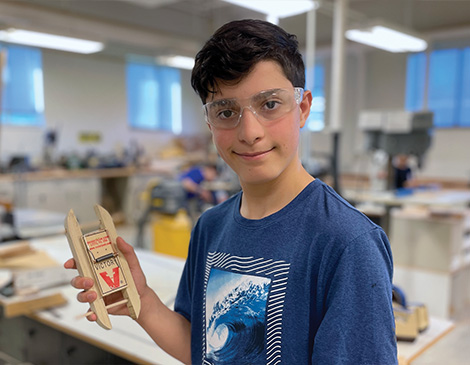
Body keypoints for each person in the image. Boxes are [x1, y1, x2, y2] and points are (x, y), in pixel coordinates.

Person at [65, 19, 397, 364]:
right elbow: (204, 349)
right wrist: (143, 301)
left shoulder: (347, 243)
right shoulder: (211, 227)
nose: (249, 132)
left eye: (269, 104)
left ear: (302, 107)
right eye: (226, 111)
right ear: (209, 123)